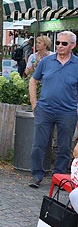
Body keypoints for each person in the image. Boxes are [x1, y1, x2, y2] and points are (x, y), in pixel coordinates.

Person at [28, 31, 78, 189]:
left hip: (68, 112)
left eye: (64, 43)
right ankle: (36, 175)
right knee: (38, 144)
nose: (59, 46)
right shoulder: (46, 61)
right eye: (58, 43)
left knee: (64, 147)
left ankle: (60, 177)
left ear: (73, 45)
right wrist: (34, 103)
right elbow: (33, 80)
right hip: (45, 110)